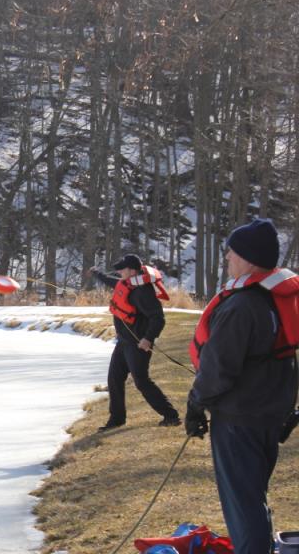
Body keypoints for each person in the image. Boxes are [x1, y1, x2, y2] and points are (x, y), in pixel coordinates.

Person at [186, 218, 299, 554]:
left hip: (239, 420)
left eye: (231, 253)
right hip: (269, 415)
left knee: (243, 504)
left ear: (249, 258)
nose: (227, 259)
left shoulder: (242, 306)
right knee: (252, 497)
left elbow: (218, 369)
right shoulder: (273, 299)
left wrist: (194, 406)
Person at [88, 254, 180, 431]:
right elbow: (110, 280)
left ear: (132, 270)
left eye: (122, 269)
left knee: (141, 381)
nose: (119, 271)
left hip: (138, 344)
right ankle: (116, 419)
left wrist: (148, 339)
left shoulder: (143, 292)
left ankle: (171, 416)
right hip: (123, 342)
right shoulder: (128, 283)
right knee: (114, 378)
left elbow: (158, 318)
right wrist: (96, 273)